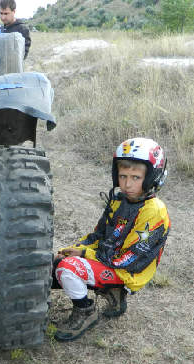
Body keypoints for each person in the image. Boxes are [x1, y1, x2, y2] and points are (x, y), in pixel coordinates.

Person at [52, 138, 170, 342]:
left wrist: (83, 255)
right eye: (123, 176)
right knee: (53, 263)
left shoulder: (155, 211)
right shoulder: (118, 201)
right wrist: (72, 249)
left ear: (152, 177)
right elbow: (98, 236)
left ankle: (86, 312)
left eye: (136, 177)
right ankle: (112, 292)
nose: (127, 183)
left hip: (128, 270)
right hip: (109, 260)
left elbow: (130, 259)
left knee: (68, 268)